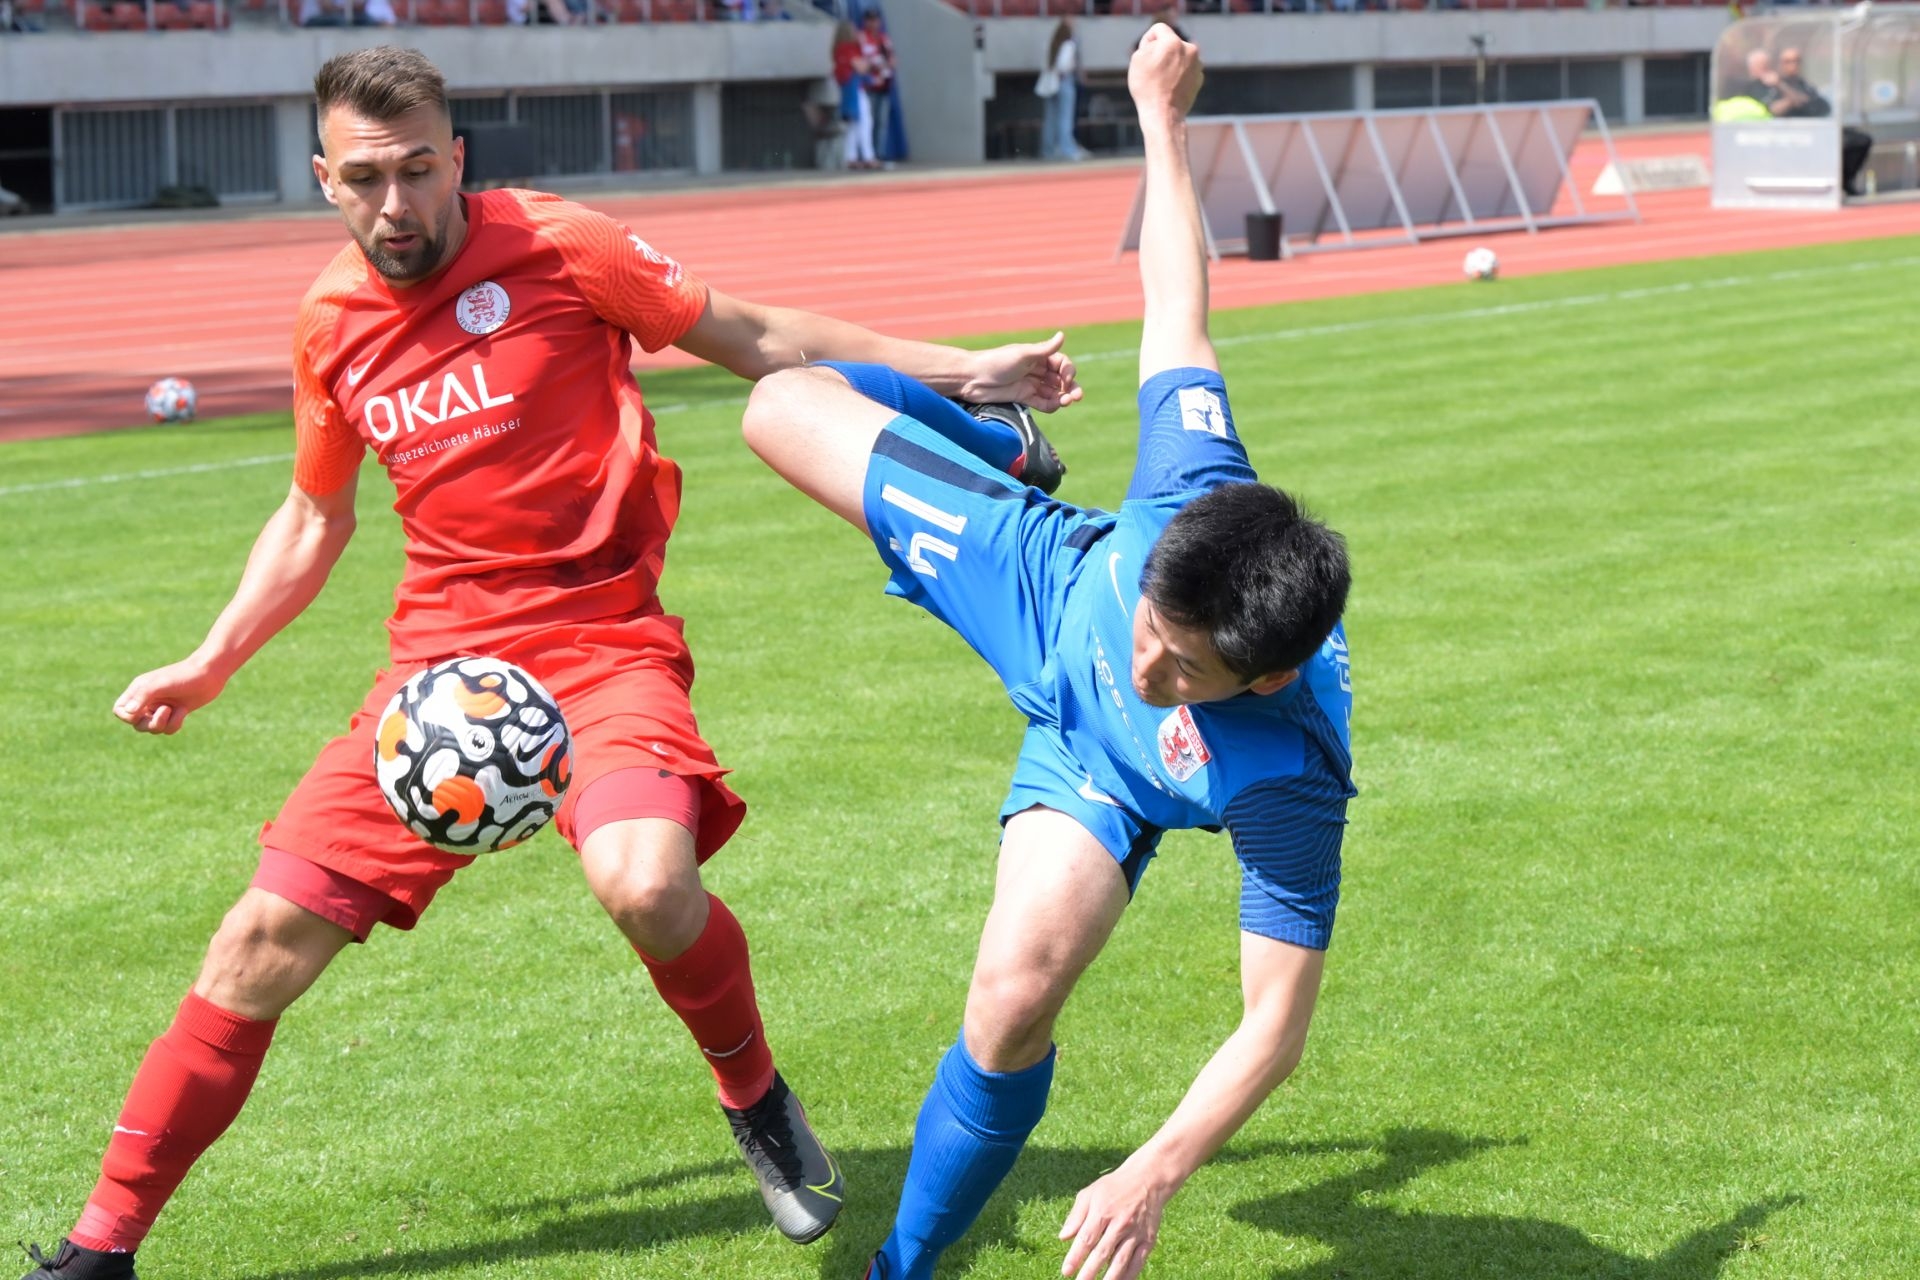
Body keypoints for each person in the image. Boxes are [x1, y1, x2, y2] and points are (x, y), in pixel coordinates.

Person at [18, 44, 1082, 1280]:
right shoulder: (330, 324)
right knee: (254, 943)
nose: (397, 202)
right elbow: (314, 516)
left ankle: (753, 1094)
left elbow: (752, 333)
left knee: (648, 883)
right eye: (366, 178)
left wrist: (967, 371)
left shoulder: (562, 246)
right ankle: (99, 1248)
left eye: (420, 169)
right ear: (324, 179)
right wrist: (210, 661)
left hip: (601, 644)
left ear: (457, 158)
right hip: (436, 684)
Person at [740, 26, 1352, 1280]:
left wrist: (1153, 1167)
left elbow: (1275, 1025)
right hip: (1042, 579)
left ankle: (900, 1265)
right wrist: (1159, 115)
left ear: (1270, 678)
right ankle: (1000, 436)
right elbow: (1177, 306)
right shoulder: (1196, 477)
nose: (1151, 667)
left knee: (1011, 999)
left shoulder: (1290, 775)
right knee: (778, 402)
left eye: (1186, 672)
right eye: (1156, 632)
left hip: (1104, 772)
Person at [1776, 46, 1873, 197]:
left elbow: (1822, 106)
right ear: (1781, 64)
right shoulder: (1775, 85)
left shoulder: (1804, 85)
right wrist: (1790, 96)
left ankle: (1844, 181)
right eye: (1788, 61)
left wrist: (1801, 100)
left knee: (1859, 140)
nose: (1793, 65)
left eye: (1797, 61)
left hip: (1817, 129)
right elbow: (1775, 109)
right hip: (1792, 133)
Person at [1038, 18, 1088, 162]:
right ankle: (1067, 148)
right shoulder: (1069, 44)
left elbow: (1046, 64)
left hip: (1051, 82)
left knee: (1051, 118)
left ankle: (1049, 149)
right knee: (1065, 118)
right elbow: (1064, 66)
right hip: (1064, 80)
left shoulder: (1050, 43)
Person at [832, 20, 878, 170]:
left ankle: (850, 158)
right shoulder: (847, 48)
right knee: (864, 123)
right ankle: (868, 157)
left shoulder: (838, 48)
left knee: (852, 126)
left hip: (846, 90)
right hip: (853, 91)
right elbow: (861, 67)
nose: (856, 32)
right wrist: (870, 61)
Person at [857, 9, 896, 166]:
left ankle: (878, 154)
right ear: (865, 21)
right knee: (868, 122)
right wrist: (873, 64)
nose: (873, 23)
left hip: (884, 85)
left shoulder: (884, 38)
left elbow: (893, 61)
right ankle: (866, 155)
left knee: (881, 122)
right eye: (870, 20)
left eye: (876, 20)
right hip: (868, 86)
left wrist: (886, 64)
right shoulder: (862, 38)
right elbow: (861, 61)